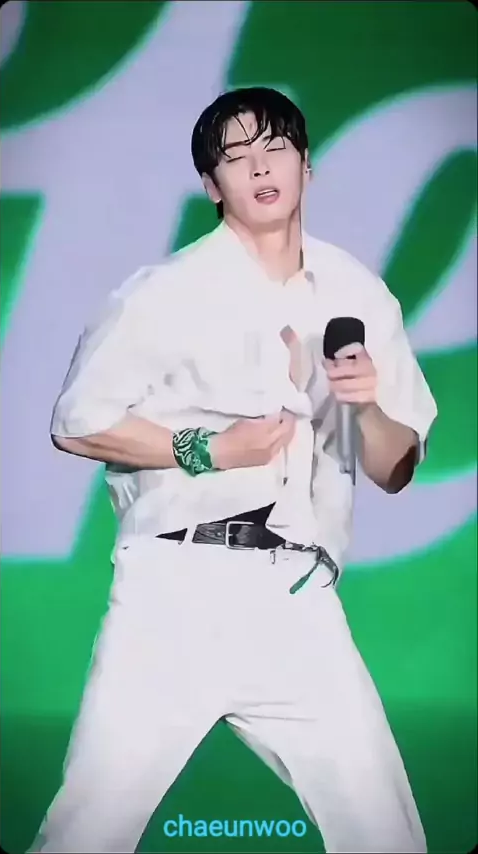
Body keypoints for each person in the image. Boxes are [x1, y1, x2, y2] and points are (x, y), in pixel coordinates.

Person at [30, 87, 437, 854]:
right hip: (174, 592)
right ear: (212, 185)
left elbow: (394, 467)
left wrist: (362, 405)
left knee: (385, 832)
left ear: (307, 167)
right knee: (90, 831)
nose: (259, 168)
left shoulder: (358, 295)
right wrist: (209, 449)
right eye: (236, 157)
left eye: (275, 149)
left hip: (296, 595)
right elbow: (76, 423)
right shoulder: (162, 294)